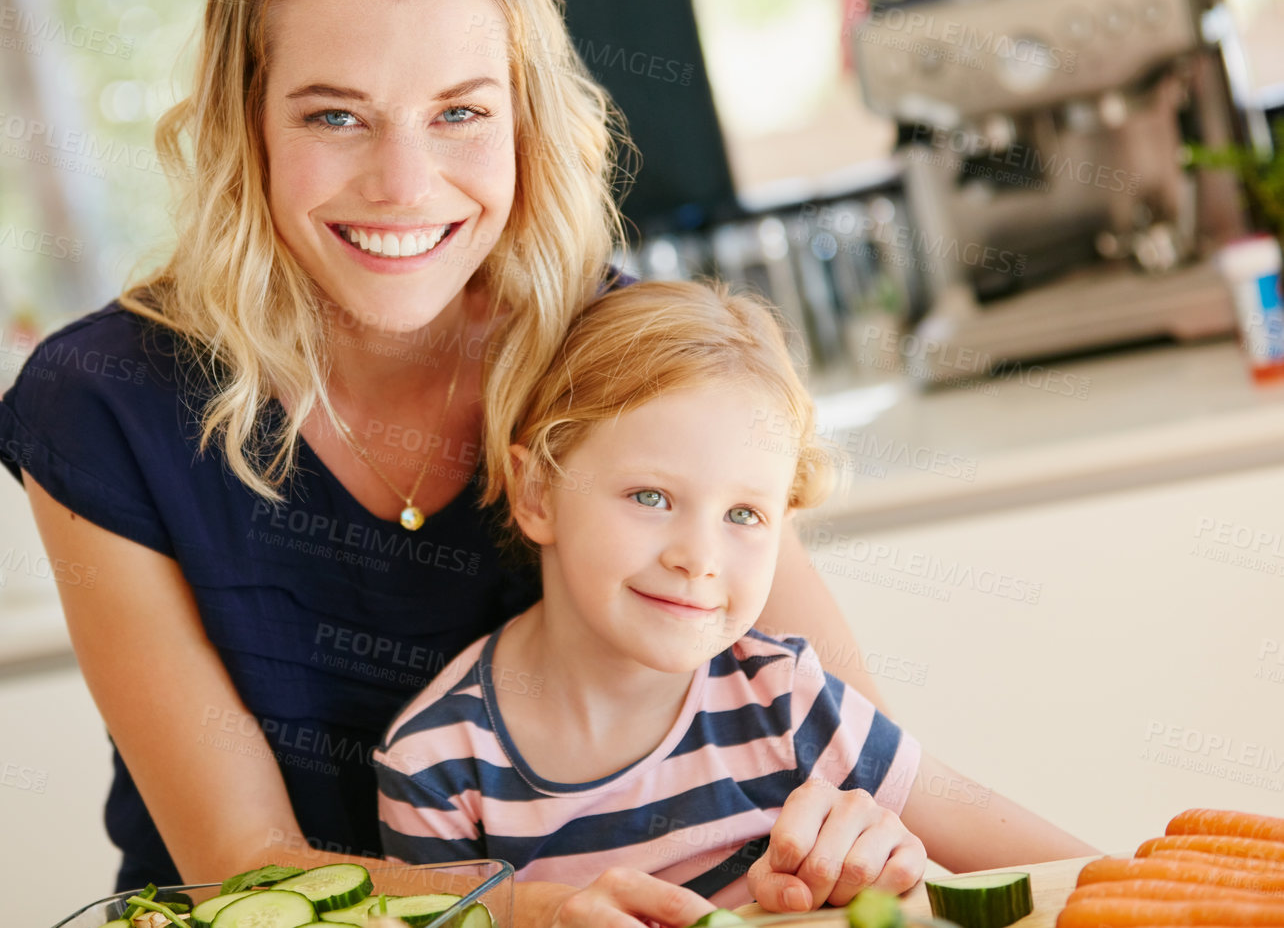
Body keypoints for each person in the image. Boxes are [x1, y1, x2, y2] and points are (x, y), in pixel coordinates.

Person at [0, 0, 1022, 928]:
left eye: (460, 113)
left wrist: (848, 829)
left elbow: (835, 732)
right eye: (335, 115)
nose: (402, 183)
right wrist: (521, 906)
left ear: (522, 114)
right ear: (248, 124)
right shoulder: (100, 403)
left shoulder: (615, 346)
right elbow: (246, 861)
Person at [373, 280, 1098, 910]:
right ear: (536, 494)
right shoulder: (435, 765)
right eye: (651, 496)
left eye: (744, 515)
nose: (698, 558)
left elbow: (1065, 868)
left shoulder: (790, 701)